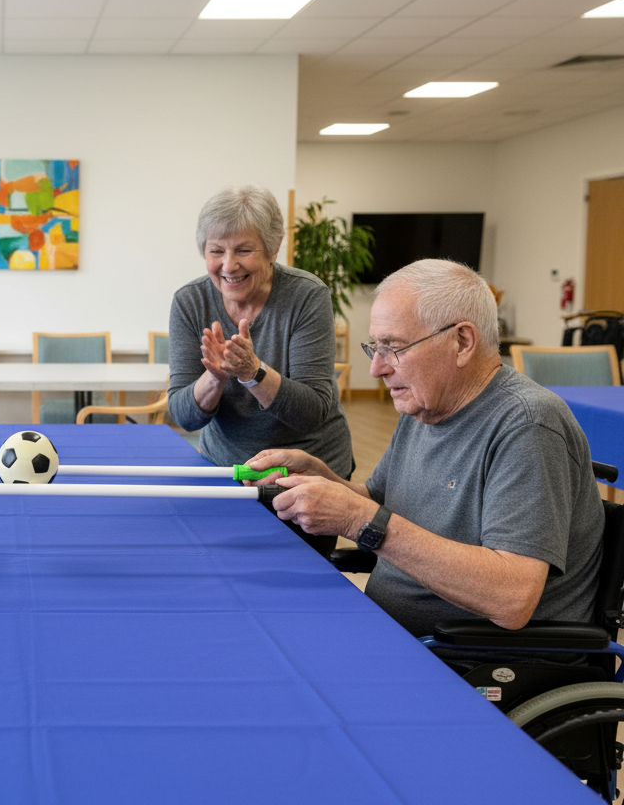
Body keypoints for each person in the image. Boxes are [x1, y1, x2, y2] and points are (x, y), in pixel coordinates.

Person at [247, 259, 603, 640]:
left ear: (462, 341)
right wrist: (323, 480)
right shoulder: (425, 406)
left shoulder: (528, 425)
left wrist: (358, 520)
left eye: (393, 347)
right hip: (401, 636)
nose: (377, 368)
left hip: (476, 659)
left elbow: (512, 597)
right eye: (375, 348)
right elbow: (382, 503)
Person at [167, 184, 352, 555]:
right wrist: (215, 378)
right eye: (216, 251)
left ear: (272, 249)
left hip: (305, 473)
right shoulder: (190, 302)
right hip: (228, 469)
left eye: (244, 250)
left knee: (297, 586)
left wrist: (253, 372)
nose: (229, 265)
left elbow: (312, 411)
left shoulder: (306, 296)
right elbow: (183, 415)